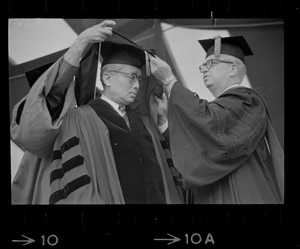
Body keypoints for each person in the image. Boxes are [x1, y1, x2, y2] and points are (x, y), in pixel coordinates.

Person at [11, 20, 183, 204]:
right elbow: (77, 186)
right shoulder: (79, 119)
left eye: (139, 79)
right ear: (107, 78)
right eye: (131, 77)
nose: (137, 85)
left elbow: (171, 177)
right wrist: (81, 43)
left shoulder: (146, 123)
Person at [149, 35, 284, 204]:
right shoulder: (219, 109)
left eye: (211, 63)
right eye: (203, 66)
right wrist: (164, 122)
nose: (204, 69)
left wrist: (170, 81)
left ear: (233, 69)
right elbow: (195, 148)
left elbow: (210, 124)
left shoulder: (249, 101)